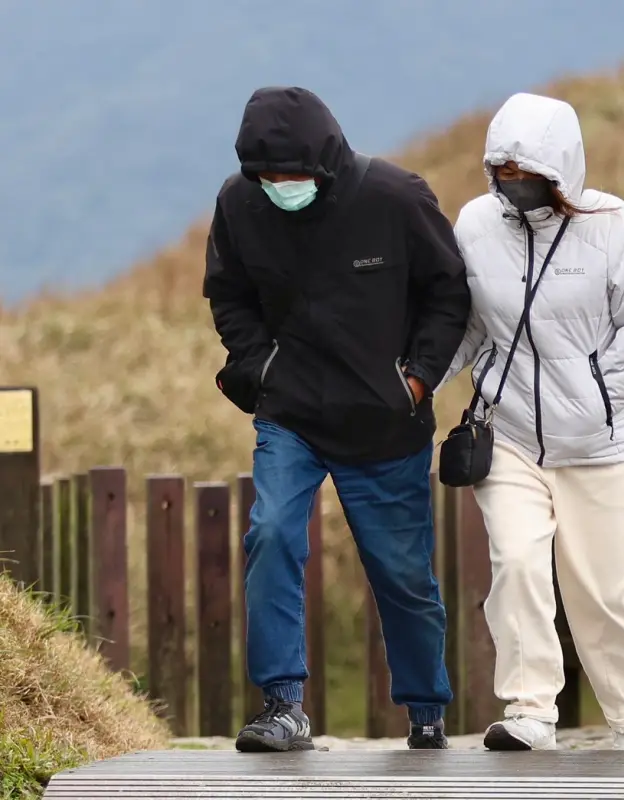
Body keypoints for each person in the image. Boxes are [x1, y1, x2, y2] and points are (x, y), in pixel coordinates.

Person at [202, 86, 471, 752]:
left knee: (402, 572)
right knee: (269, 535)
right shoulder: (239, 202)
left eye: (290, 176)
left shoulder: (395, 197)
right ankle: (281, 705)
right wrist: (259, 366)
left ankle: (426, 710)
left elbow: (449, 294)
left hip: (384, 420)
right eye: (266, 177)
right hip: (290, 413)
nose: (278, 187)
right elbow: (228, 293)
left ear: (323, 163)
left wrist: (415, 381)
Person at [437, 92, 624, 751]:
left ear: (562, 169)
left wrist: (598, 397)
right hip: (508, 436)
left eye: (528, 173)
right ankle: (531, 711)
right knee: (516, 565)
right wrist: (421, 380)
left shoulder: (613, 225)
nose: (513, 185)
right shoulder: (476, 225)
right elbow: (470, 324)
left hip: (600, 446)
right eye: (502, 172)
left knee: (605, 595)